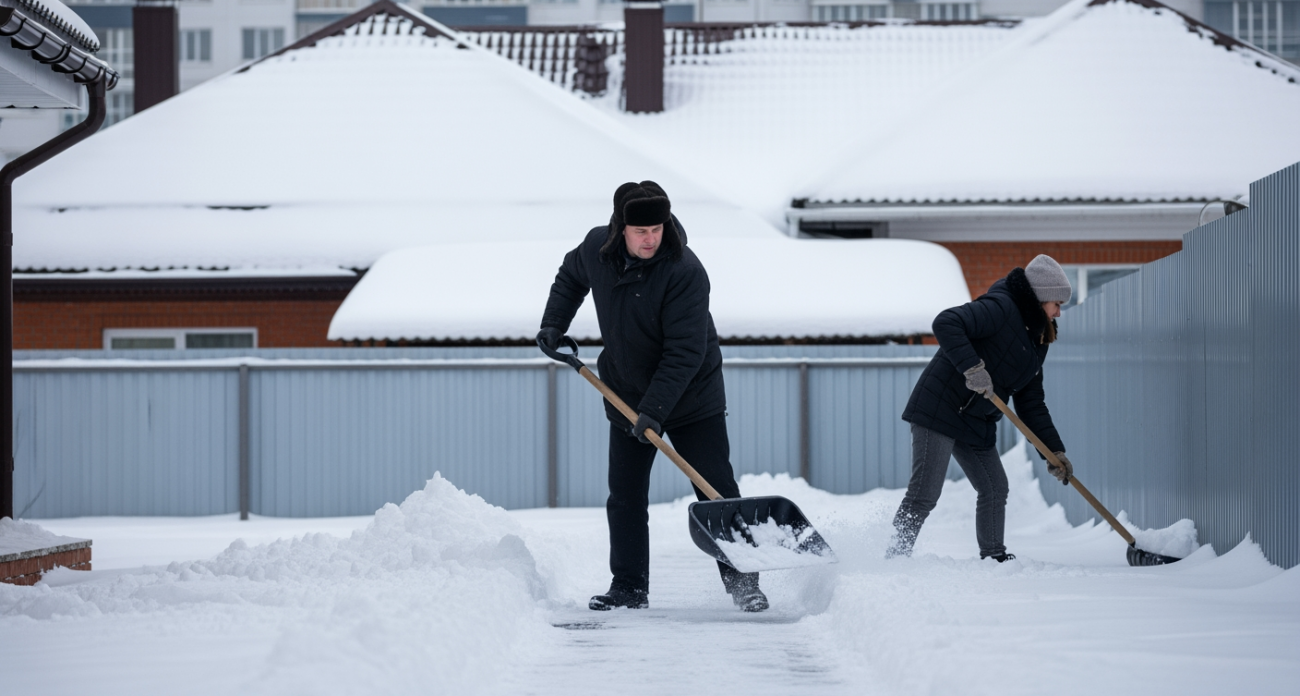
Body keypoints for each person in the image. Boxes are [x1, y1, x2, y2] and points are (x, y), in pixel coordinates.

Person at [536, 181, 768, 613]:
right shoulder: (597, 250)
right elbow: (570, 277)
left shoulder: (685, 272)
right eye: (640, 230)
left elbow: (684, 353)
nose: (650, 238)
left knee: (714, 490)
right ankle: (628, 587)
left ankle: (744, 584)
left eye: (657, 229)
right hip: (625, 392)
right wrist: (553, 323)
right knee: (624, 495)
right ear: (620, 227)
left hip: (693, 397)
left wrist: (655, 412)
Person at [886, 255, 1076, 562]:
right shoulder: (1000, 308)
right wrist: (973, 368)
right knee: (924, 495)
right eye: (1056, 303)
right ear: (1040, 297)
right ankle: (893, 557)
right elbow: (946, 322)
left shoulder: (1037, 341)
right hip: (941, 407)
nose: (1058, 312)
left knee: (994, 487)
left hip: (975, 418)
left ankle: (994, 557)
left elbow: (1031, 403)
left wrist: (1053, 452)